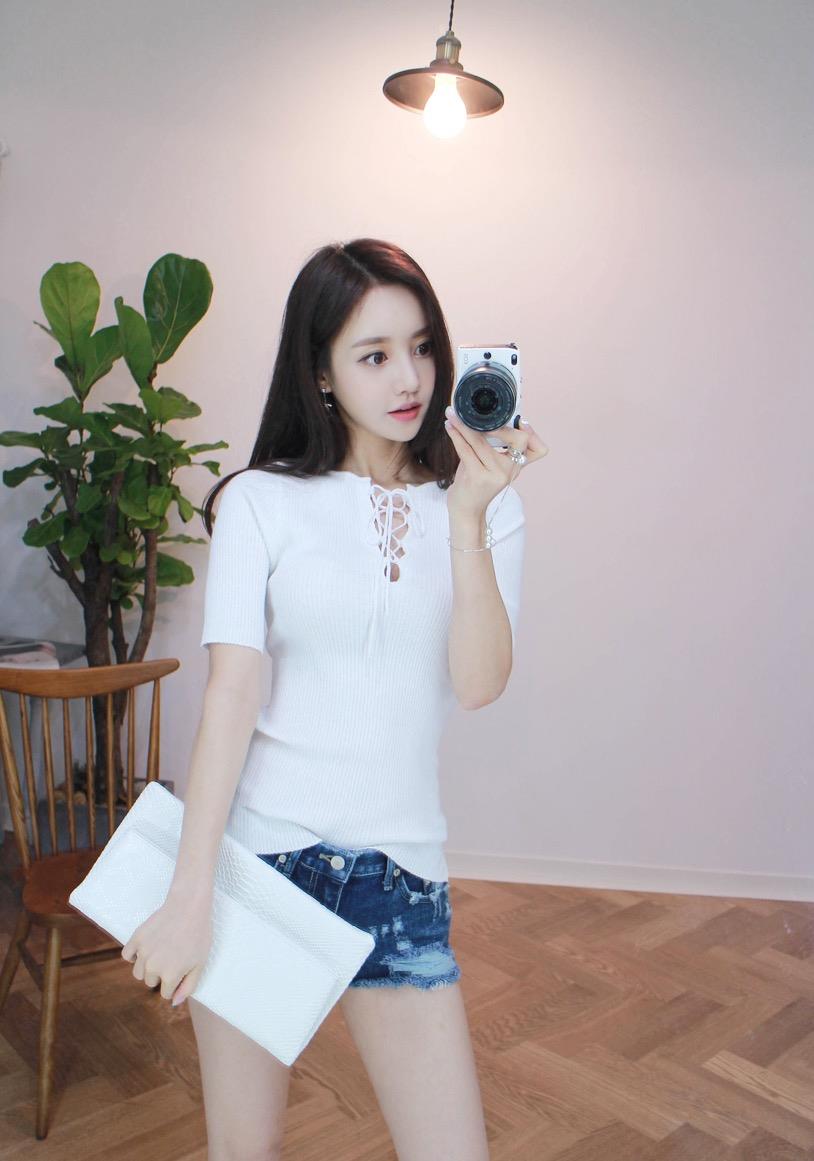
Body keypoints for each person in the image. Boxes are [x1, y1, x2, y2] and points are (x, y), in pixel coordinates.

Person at [121, 238, 546, 1160]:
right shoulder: (259, 501)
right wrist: (190, 896)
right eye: (374, 354)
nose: (411, 377)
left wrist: (467, 518)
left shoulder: (488, 506)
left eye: (423, 346)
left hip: (400, 878)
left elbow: (478, 685)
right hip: (260, 865)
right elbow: (231, 695)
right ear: (321, 371)